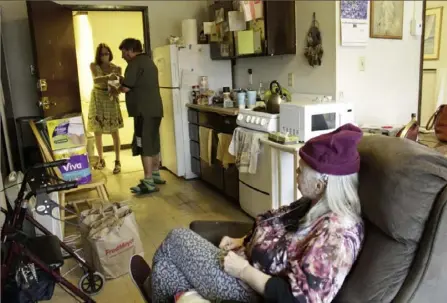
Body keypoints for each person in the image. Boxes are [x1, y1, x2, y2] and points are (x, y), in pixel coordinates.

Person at [151, 124, 365, 302]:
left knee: (175, 239)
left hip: (249, 289)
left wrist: (243, 270)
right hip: (243, 266)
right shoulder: (314, 204)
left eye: (300, 171)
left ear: (321, 184)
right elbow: (280, 235)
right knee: (164, 272)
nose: (296, 175)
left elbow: (299, 300)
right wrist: (243, 240)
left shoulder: (337, 235)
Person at [118, 38, 166, 194]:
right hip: (155, 109)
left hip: (142, 111)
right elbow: (138, 82)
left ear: (131, 50)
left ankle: (148, 181)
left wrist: (115, 87)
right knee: (153, 140)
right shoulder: (148, 61)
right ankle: (156, 173)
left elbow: (126, 88)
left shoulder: (134, 63)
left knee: (144, 143)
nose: (122, 56)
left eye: (124, 52)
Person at [88, 43, 124, 174]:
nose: (104, 56)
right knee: (98, 130)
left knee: (114, 131)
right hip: (97, 97)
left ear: (110, 54)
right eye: (102, 54)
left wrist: (118, 86)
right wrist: (108, 77)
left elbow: (119, 85)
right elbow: (96, 80)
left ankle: (118, 161)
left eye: (106, 53)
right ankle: (101, 159)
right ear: (98, 55)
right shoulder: (94, 66)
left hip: (110, 97)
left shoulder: (116, 68)